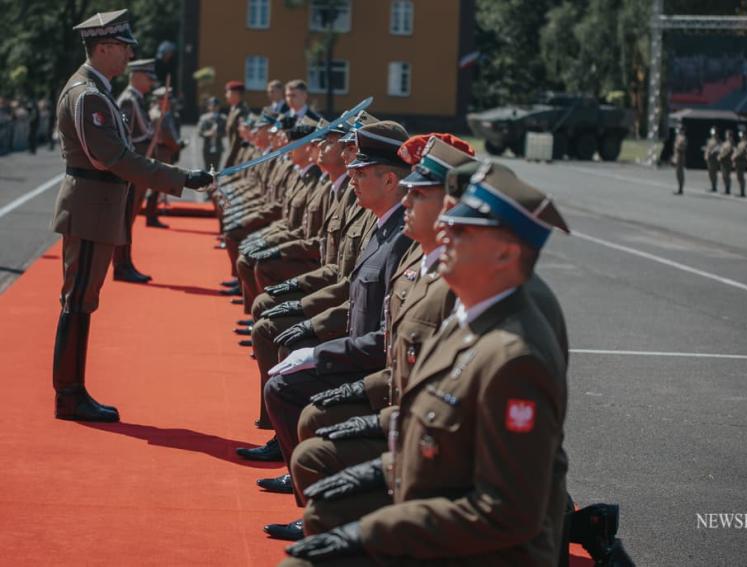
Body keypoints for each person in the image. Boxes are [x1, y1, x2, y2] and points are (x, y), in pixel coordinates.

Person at [282, 161, 570, 567]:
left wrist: (375, 530)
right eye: (448, 220)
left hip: (475, 551)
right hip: (431, 505)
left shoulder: (513, 357)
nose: (445, 232)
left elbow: (506, 513)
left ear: (505, 253)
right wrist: (385, 468)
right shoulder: (470, 317)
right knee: (322, 513)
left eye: (463, 228)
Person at [52, 9, 214, 423]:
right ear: (104, 47)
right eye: (124, 49)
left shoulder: (96, 90)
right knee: (77, 301)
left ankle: (73, 391)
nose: (128, 57)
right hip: (91, 206)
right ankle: (69, 395)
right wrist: (180, 178)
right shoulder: (88, 94)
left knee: (83, 300)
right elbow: (112, 158)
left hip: (96, 206)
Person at [260, 121, 414, 486]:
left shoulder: (401, 240)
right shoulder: (382, 229)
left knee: (288, 388)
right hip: (359, 355)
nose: (352, 175)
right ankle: (301, 476)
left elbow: (385, 335)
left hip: (374, 371)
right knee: (284, 377)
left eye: (360, 170)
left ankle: (307, 484)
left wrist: (319, 350)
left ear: (390, 180)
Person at [112, 58, 159, 282]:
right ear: (137, 77)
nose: (150, 84)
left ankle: (126, 262)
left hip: (138, 170)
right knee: (125, 221)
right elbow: (124, 138)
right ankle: (121, 266)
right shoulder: (129, 102)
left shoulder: (138, 100)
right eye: (148, 79)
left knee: (129, 221)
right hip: (131, 172)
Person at [146, 86, 183, 226]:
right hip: (160, 152)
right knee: (156, 186)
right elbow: (165, 136)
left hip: (164, 151)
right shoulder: (157, 115)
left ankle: (152, 216)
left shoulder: (164, 113)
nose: (169, 102)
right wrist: (176, 146)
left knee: (158, 186)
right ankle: (151, 217)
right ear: (160, 100)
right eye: (167, 99)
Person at [223, 80, 250, 169]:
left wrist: (230, 160)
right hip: (233, 154)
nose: (225, 95)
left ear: (236, 94)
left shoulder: (241, 111)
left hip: (238, 157)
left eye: (228, 92)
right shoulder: (234, 109)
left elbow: (238, 139)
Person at [198, 96, 226, 171]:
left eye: (216, 106)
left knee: (216, 169)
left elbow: (225, 132)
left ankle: (215, 182)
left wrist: (218, 134)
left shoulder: (222, 118)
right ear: (208, 106)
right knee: (207, 168)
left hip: (218, 147)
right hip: (207, 147)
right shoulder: (204, 118)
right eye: (212, 105)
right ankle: (209, 182)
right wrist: (208, 133)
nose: (214, 107)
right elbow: (200, 132)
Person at [732, 130, 747, 198]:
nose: (741, 136)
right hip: (737, 162)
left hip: (741, 162)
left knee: (741, 177)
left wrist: (734, 156)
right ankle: (741, 191)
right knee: (739, 177)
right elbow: (737, 151)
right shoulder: (740, 143)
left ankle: (742, 192)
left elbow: (741, 152)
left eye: (742, 135)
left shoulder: (745, 143)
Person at [703, 127, 719, 192]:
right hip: (709, 158)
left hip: (714, 159)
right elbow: (707, 148)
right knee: (710, 173)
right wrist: (706, 155)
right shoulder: (709, 140)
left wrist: (713, 151)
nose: (713, 133)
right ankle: (712, 186)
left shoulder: (717, 140)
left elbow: (718, 148)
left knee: (714, 173)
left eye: (714, 132)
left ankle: (714, 186)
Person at [719, 129, 734, 194]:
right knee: (723, 175)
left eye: (727, 134)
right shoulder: (724, 143)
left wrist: (721, 156)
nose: (726, 136)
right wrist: (719, 156)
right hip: (723, 161)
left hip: (727, 161)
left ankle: (728, 189)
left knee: (727, 175)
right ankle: (726, 188)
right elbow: (721, 150)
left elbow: (728, 151)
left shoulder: (731, 143)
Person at [672, 126, 686, 195]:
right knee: (677, 173)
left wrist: (678, 147)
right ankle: (679, 188)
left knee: (680, 173)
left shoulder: (682, 138)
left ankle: (680, 189)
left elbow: (681, 148)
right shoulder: (678, 137)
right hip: (677, 156)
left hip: (680, 157)